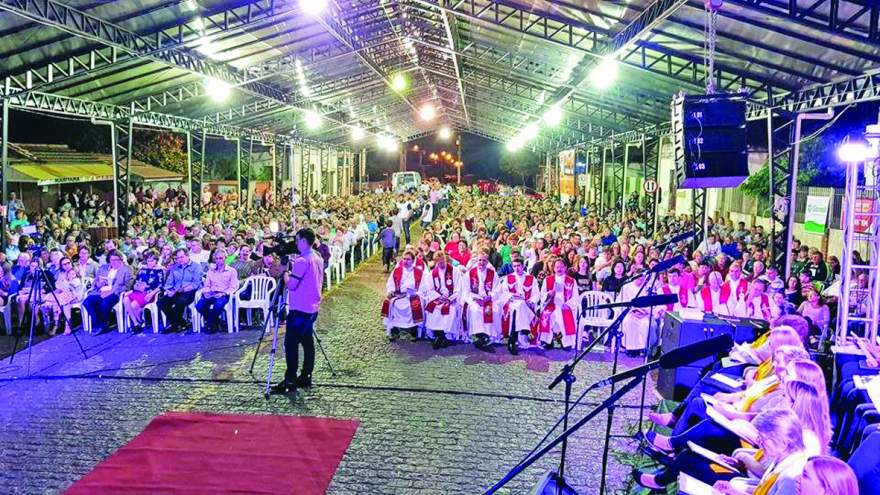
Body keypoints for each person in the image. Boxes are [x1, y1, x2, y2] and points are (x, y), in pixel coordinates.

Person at [271, 228, 324, 395]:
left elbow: (291, 285)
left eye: (297, 240)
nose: (295, 243)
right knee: (308, 343)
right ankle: (306, 375)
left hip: (300, 308)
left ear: (302, 241)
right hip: (312, 307)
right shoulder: (317, 257)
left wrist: (285, 271)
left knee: (291, 344)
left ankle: (290, 380)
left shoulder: (302, 260)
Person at [460, 249, 500, 351]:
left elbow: (497, 290)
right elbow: (466, 291)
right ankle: (478, 335)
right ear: (476, 261)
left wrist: (489, 297)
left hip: (489, 299)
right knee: (475, 310)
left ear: (487, 262)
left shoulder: (493, 274)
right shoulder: (470, 274)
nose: (481, 263)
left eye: (484, 260)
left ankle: (488, 335)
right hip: (474, 299)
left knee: (493, 310)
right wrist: (474, 299)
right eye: (480, 260)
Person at [82, 250, 131, 333]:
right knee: (87, 302)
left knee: (104, 303)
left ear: (121, 260)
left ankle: (103, 324)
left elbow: (127, 285)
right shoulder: (103, 268)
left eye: (116, 260)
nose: (114, 262)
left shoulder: (126, 269)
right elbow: (95, 280)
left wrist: (111, 291)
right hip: (100, 291)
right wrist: (98, 284)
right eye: (112, 260)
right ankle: (98, 323)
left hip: (115, 293)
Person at [382, 250, 426, 340]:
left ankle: (413, 331)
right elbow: (390, 283)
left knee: (414, 304)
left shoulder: (418, 272)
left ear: (413, 260)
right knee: (392, 303)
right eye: (404, 259)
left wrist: (414, 293)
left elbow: (423, 287)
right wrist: (391, 291)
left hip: (412, 296)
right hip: (398, 296)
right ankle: (394, 330)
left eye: (408, 259)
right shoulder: (397, 271)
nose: (406, 261)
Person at [500, 255, 540, 355]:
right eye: (514, 266)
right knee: (519, 306)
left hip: (526, 305)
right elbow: (503, 292)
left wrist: (531, 301)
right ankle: (524, 330)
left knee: (520, 306)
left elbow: (536, 294)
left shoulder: (531, 278)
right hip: (512, 303)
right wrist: (513, 295)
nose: (516, 268)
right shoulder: (508, 278)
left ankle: (512, 338)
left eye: (518, 266)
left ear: (523, 266)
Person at [538, 258, 580, 350]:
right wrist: (548, 294)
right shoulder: (547, 280)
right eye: (557, 267)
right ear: (553, 268)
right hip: (550, 305)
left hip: (566, 306)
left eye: (561, 267)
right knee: (548, 314)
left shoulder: (572, 281)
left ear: (565, 268)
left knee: (562, 313)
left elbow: (576, 297)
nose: (559, 269)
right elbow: (542, 295)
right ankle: (547, 341)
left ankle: (567, 342)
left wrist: (568, 304)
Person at [158, 248, 202, 333]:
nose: (179, 260)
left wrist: (181, 290)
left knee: (179, 302)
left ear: (187, 256)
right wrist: (168, 291)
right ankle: (181, 323)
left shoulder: (196, 266)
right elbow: (169, 282)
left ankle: (174, 325)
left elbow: (196, 284)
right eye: (177, 258)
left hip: (189, 291)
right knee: (161, 302)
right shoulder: (175, 267)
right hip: (175, 291)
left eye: (182, 257)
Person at [196, 247, 238, 333]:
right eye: (217, 258)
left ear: (225, 258)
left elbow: (233, 287)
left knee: (217, 306)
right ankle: (216, 322)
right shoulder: (210, 271)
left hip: (223, 294)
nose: (219, 260)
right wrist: (206, 292)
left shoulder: (232, 271)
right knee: (199, 306)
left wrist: (223, 293)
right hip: (211, 293)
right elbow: (206, 285)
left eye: (221, 258)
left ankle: (210, 325)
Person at [423, 253, 460, 349]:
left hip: (451, 299)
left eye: (442, 261)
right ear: (436, 262)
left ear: (445, 259)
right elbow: (430, 289)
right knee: (433, 310)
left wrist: (450, 298)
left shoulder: (454, 271)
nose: (441, 264)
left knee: (450, 310)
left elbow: (458, 288)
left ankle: (447, 336)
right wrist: (439, 297)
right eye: (439, 262)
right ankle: (438, 335)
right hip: (438, 299)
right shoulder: (432, 274)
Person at [122, 250, 164, 332]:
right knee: (125, 299)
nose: (150, 263)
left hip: (149, 293)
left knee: (133, 305)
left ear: (156, 261)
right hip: (138, 291)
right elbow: (136, 282)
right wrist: (136, 288)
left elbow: (161, 286)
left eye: (152, 261)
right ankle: (136, 323)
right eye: (148, 260)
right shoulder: (142, 269)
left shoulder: (159, 270)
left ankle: (140, 322)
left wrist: (152, 294)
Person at [41, 257, 85, 335]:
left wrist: (64, 285)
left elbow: (73, 286)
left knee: (63, 301)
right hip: (64, 294)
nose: (67, 265)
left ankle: (66, 325)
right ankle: (56, 324)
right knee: (54, 298)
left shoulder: (75, 271)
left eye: (68, 263)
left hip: (75, 294)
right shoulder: (61, 274)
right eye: (64, 264)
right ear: (62, 266)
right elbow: (58, 287)